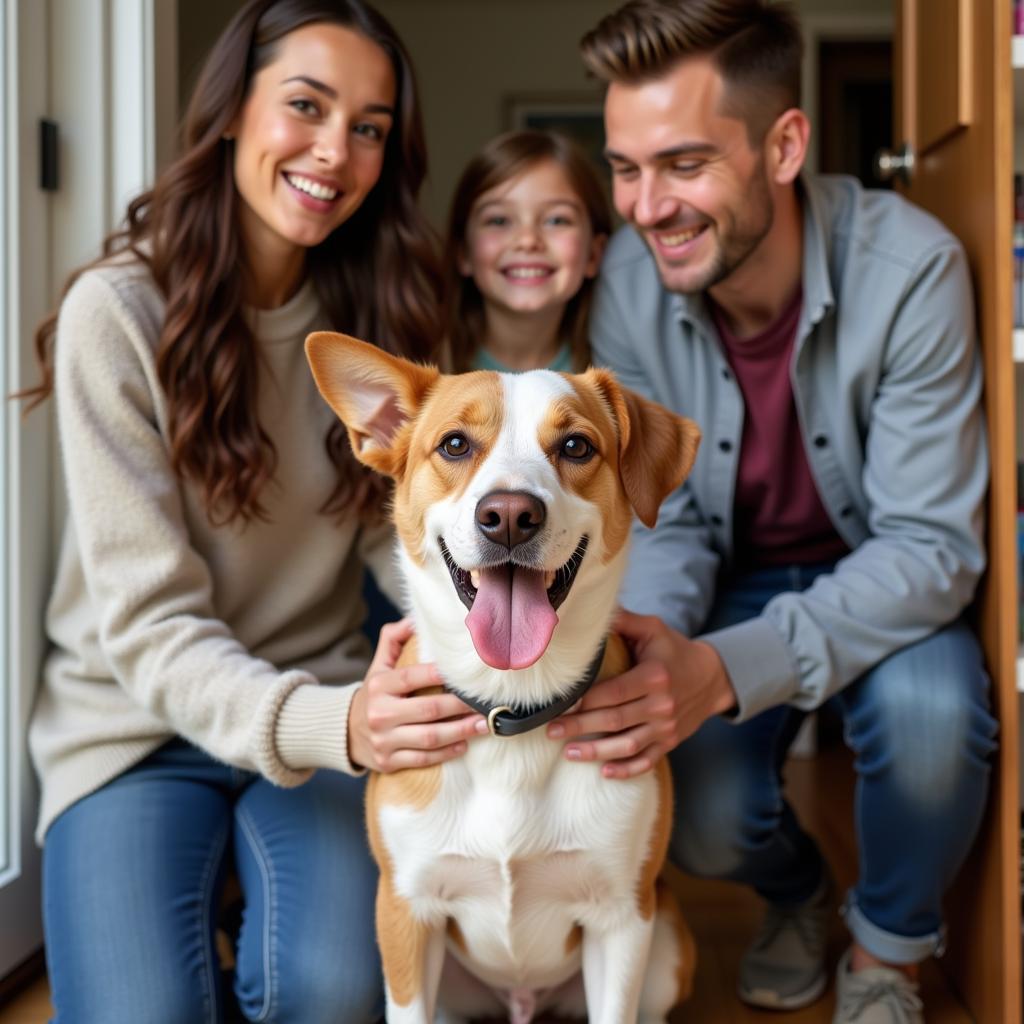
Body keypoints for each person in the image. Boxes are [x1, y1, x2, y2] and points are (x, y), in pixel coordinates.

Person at [22, 2, 488, 1021]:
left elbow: (402, 534)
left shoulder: (380, 321)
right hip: (135, 728)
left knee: (335, 990)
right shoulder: (120, 312)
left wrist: (499, 649)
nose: (335, 150)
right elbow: (147, 627)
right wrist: (344, 722)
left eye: (368, 127)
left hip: (323, 709)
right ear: (232, 110)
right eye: (306, 106)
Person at [542, 2, 1000, 1022]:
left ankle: (884, 954)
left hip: (884, 577)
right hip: (730, 576)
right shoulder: (627, 280)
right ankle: (799, 894)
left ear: (784, 145)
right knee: (685, 796)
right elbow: (661, 516)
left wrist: (725, 668)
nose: (647, 206)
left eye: (685, 164)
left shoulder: (912, 269)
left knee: (932, 726)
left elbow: (929, 549)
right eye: (623, 168)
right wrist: (651, 649)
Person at [442, 129, 611, 373]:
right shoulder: (421, 375)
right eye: (499, 221)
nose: (528, 240)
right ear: (464, 252)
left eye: (556, 220)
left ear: (594, 254)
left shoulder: (617, 378)